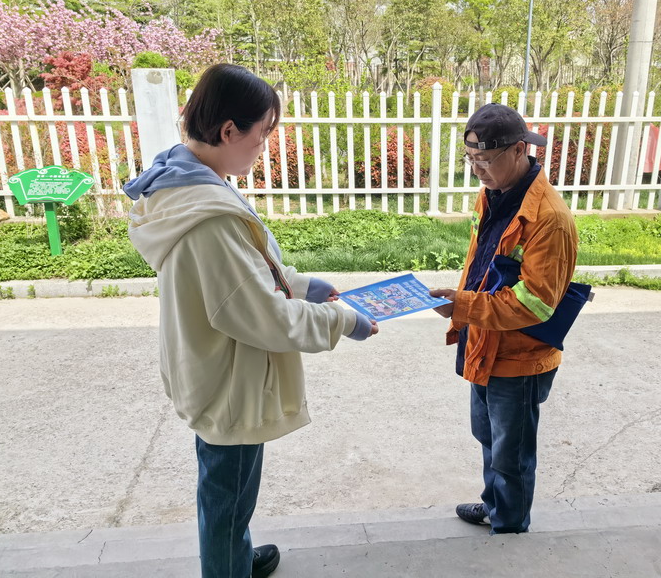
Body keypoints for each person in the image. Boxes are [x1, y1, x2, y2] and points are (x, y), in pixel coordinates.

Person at [123, 63, 378, 578]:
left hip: (212, 365)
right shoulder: (209, 216)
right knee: (228, 497)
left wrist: (304, 285)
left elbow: (244, 276)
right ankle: (227, 566)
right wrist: (342, 321)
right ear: (228, 131)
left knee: (226, 491)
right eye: (261, 135)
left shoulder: (183, 182)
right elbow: (263, 315)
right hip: (229, 379)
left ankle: (234, 558)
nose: (263, 148)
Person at [430, 103, 578, 534]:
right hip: (484, 340)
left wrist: (462, 306)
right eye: (470, 159)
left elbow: (535, 305)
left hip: (519, 356)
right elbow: (484, 264)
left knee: (511, 453)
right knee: (489, 438)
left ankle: (510, 527)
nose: (478, 170)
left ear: (518, 150)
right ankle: (494, 505)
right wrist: (463, 307)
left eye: (485, 160)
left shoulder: (549, 219)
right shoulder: (493, 193)